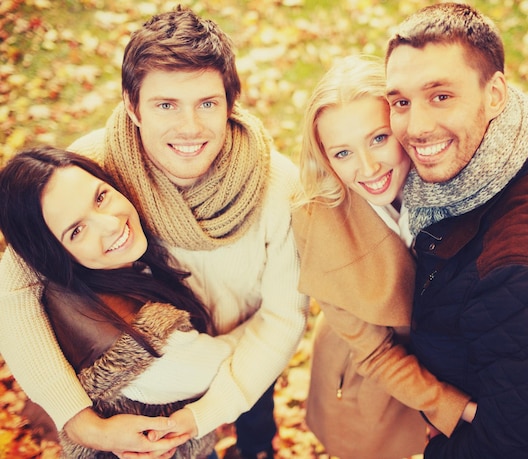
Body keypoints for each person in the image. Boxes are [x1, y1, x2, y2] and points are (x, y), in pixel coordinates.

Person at [0, 6, 308, 459]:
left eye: (207, 103)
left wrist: (208, 411)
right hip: (157, 358)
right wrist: (81, 422)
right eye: (166, 105)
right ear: (133, 107)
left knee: (257, 425)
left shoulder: (277, 184)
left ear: (231, 102)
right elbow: (15, 290)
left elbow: (283, 318)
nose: (190, 128)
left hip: (249, 354)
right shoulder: (94, 168)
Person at [384, 3, 528, 458]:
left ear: (496, 93)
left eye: (441, 95)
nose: (417, 127)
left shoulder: (523, 274)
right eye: (401, 102)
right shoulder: (510, 142)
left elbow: (513, 446)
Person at [292, 55, 476, 459]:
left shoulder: (451, 178)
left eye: (378, 138)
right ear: (324, 158)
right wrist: (458, 408)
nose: (369, 167)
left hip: (452, 362)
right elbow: (375, 353)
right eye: (343, 153)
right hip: (368, 375)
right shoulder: (319, 227)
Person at [0, 147, 235, 459]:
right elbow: (225, 366)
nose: (110, 225)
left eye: (100, 197)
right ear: (52, 256)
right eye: (77, 230)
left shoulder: (105, 271)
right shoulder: (128, 340)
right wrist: (269, 319)